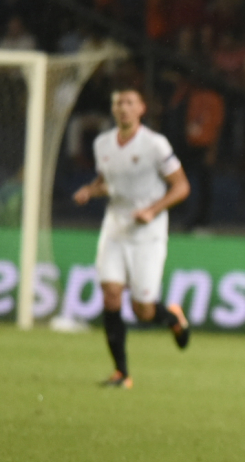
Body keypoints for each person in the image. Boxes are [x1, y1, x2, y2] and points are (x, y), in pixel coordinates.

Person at [73, 87, 192, 389]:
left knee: (143, 310)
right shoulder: (102, 143)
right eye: (118, 104)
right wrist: (91, 190)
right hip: (115, 225)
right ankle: (121, 373)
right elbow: (107, 182)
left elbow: (181, 187)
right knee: (111, 294)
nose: (123, 108)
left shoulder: (155, 144)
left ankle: (172, 318)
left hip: (147, 233)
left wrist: (152, 210)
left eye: (129, 103)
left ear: (141, 108)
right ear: (113, 110)